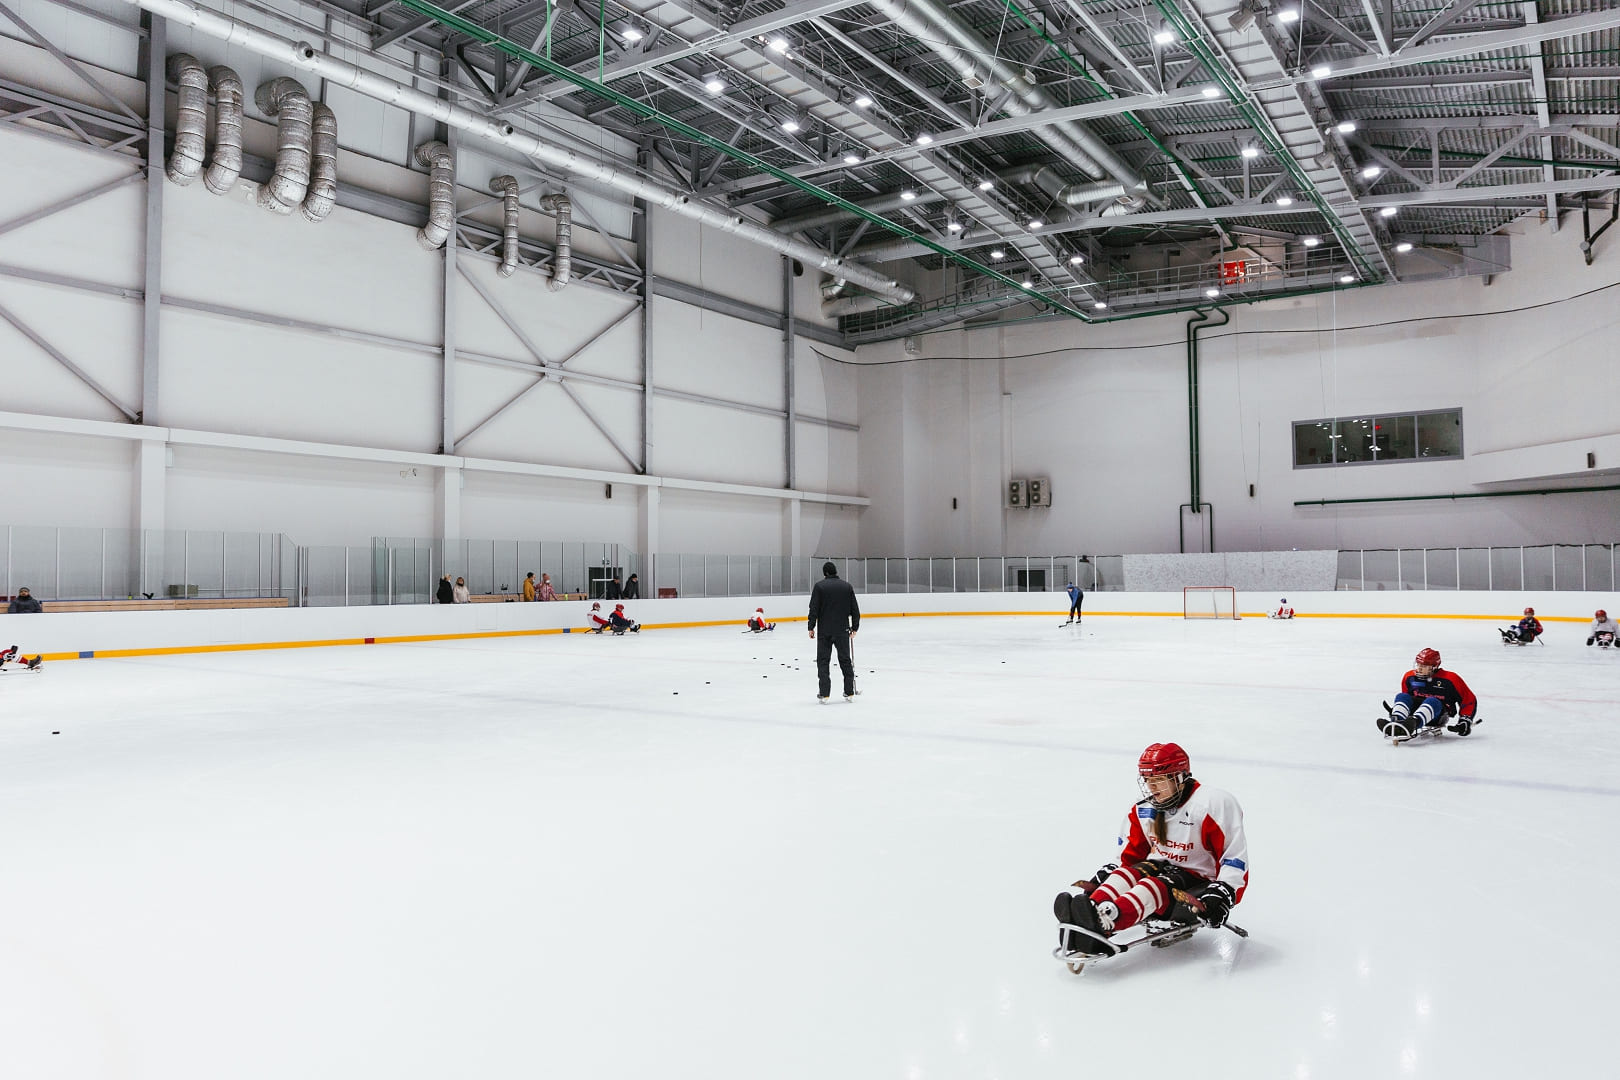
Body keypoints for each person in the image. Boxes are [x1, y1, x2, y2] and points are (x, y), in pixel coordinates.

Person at [1053, 742, 1248, 956]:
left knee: (1151, 886)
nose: (1151, 788)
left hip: (1198, 881)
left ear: (1180, 778)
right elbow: (1130, 855)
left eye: (1158, 780)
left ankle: (1104, 924)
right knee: (1124, 875)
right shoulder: (1144, 807)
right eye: (1147, 780)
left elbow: (1233, 858)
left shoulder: (1212, 803)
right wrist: (1111, 871)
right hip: (1160, 868)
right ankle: (1088, 911)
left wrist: (1224, 892)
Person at [1381, 647, 1477, 737]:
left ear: (1434, 667)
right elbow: (1407, 698)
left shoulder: (1451, 679)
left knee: (1432, 701)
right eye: (1418, 664)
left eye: (1424, 666)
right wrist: (1398, 709)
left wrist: (1465, 720)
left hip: (1438, 715)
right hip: (1414, 714)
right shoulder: (1409, 677)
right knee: (1402, 696)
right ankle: (1396, 721)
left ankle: (1414, 723)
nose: (1419, 668)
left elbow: (1468, 699)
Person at [808, 561, 859, 702]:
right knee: (845, 660)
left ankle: (824, 693)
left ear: (825, 573)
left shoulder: (819, 587)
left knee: (823, 661)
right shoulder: (847, 587)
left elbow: (814, 608)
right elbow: (855, 609)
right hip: (842, 629)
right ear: (835, 571)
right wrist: (855, 627)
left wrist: (811, 627)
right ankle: (849, 692)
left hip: (825, 631)